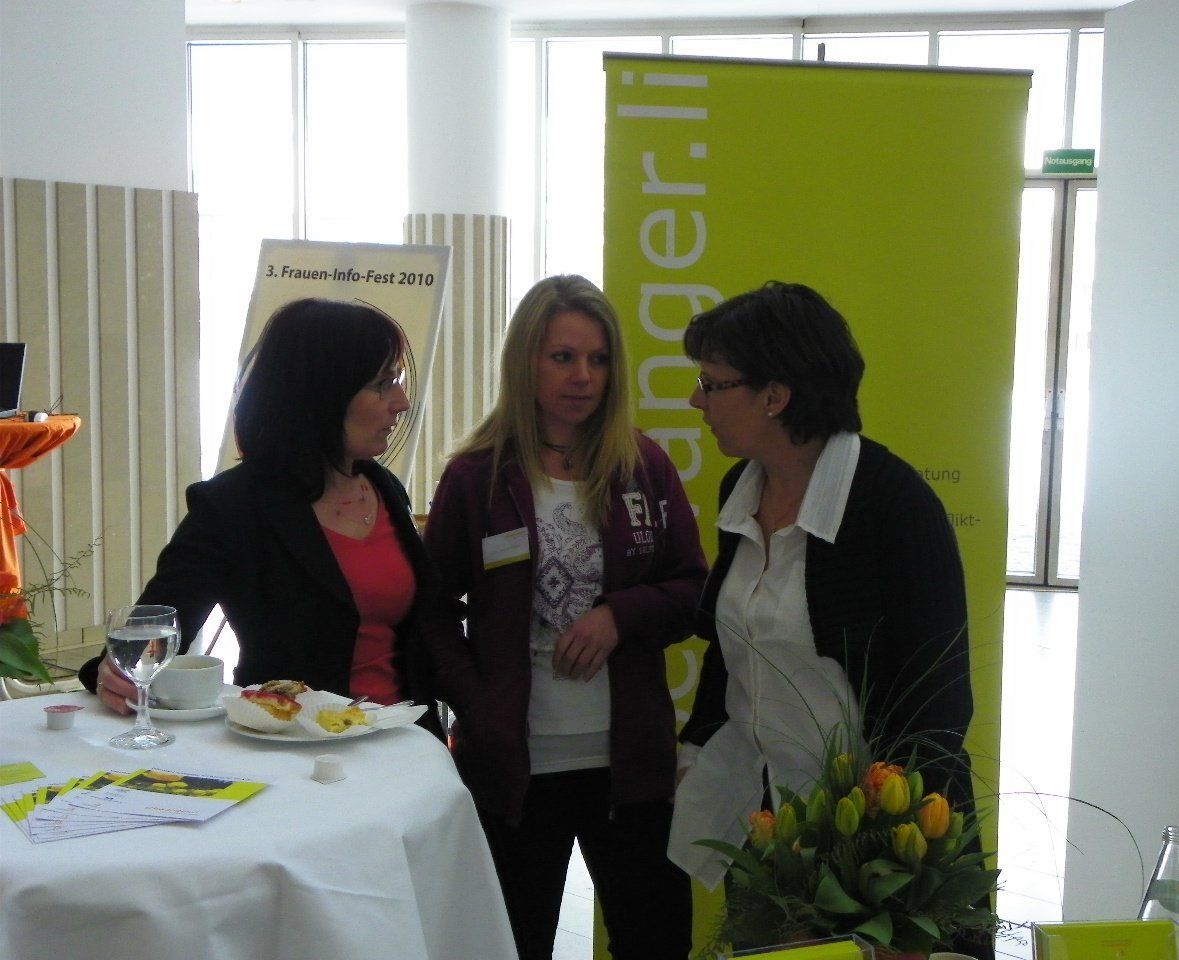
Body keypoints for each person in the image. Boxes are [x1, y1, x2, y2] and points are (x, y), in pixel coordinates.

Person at [668, 282, 978, 915]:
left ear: (775, 396)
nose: (697, 400)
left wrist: (884, 846)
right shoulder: (741, 486)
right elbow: (734, 644)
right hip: (763, 817)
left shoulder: (894, 506)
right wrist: (697, 749)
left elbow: (936, 702)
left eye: (712, 383)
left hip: (875, 840)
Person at [423, 275, 705, 960]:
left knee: (656, 943)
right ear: (526, 361)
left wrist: (620, 615)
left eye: (598, 359)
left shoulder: (642, 465)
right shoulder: (477, 476)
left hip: (630, 765)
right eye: (563, 357)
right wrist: (480, 706)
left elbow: (693, 588)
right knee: (512, 946)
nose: (583, 376)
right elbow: (431, 617)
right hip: (515, 769)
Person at [81, 297, 445, 736]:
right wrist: (113, 672)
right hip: (293, 745)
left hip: (404, 736)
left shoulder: (385, 489)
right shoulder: (233, 506)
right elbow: (155, 632)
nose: (402, 402)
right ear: (323, 393)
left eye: (397, 380)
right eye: (383, 384)